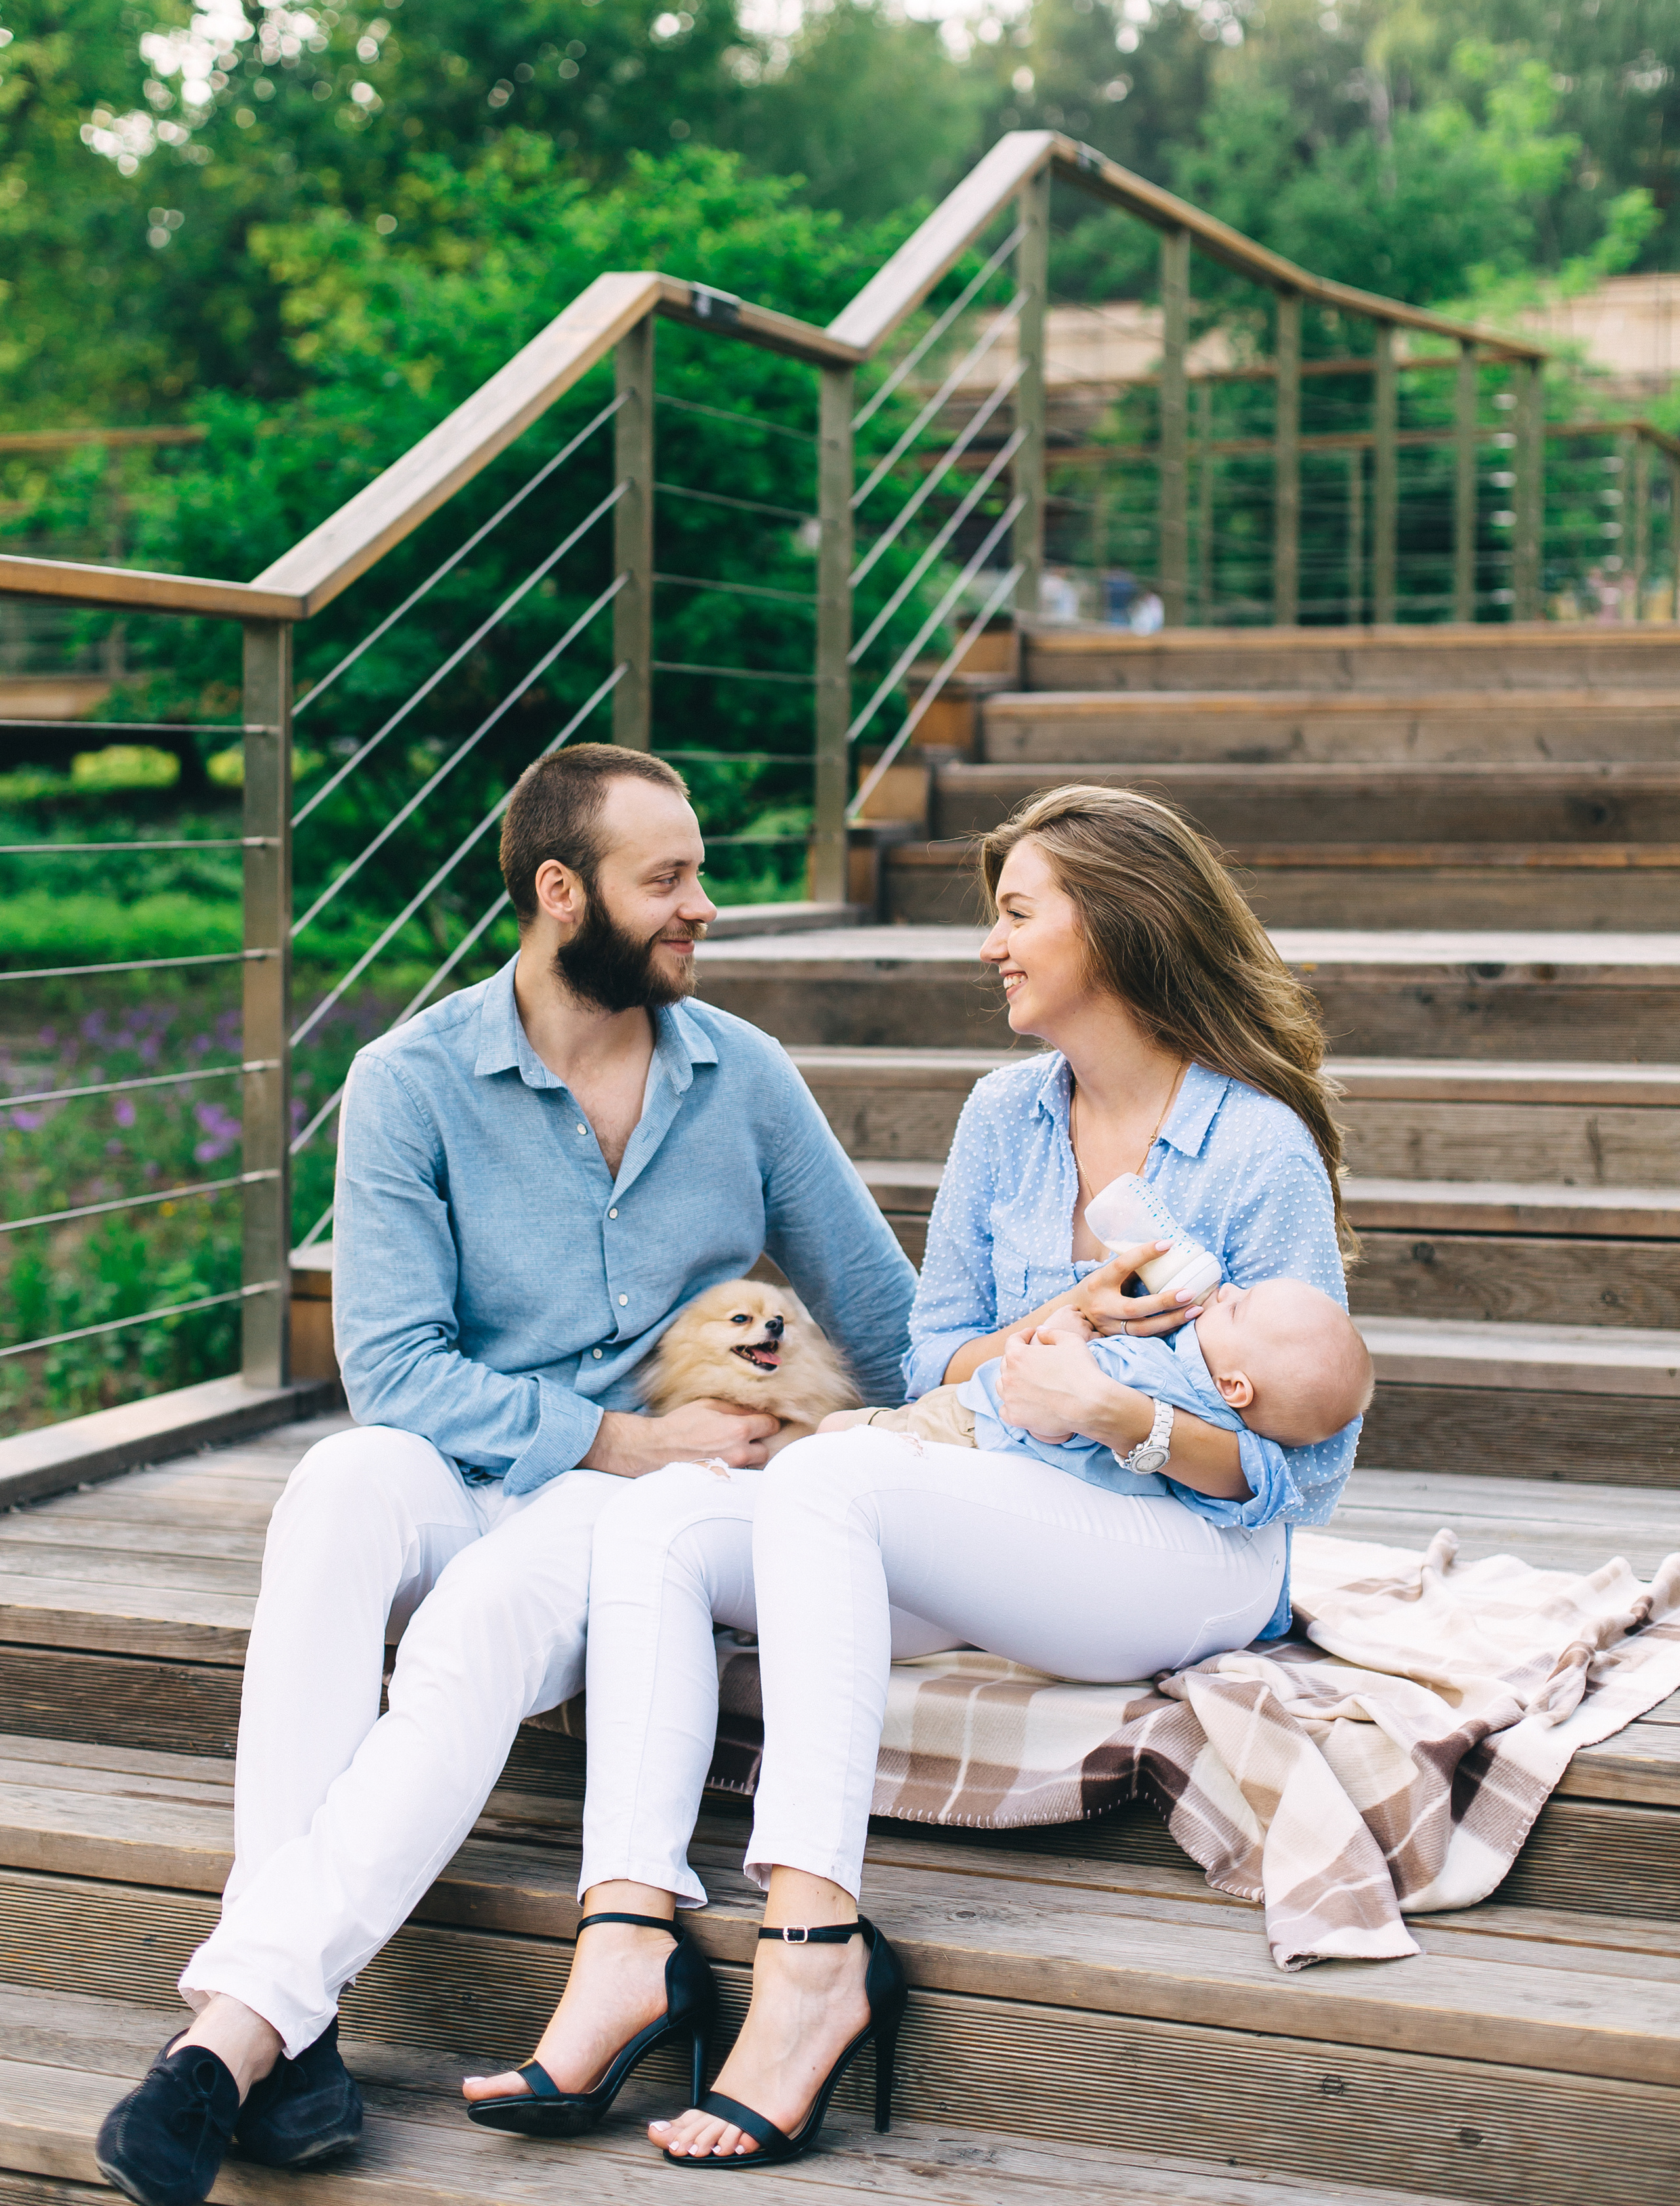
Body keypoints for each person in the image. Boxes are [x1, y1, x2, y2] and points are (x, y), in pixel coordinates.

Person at [469, 780, 1363, 2167]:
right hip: (1006, 1516)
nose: (990, 946)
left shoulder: (1253, 1148)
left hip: (1184, 1557)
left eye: (1015, 916)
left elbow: (1298, 1478)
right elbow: (936, 1356)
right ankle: (627, 1933)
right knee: (662, 1525)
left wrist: (1119, 1415)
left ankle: (812, 1953)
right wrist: (1054, 1335)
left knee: (829, 1486)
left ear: (1116, 929)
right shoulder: (1004, 1117)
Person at [93, 742, 915, 2206]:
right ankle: (298, 2023)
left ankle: (236, 2040)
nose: (703, 907)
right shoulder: (408, 1081)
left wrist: (1028, 1418)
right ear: (559, 892)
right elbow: (394, 1373)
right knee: (338, 1488)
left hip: (631, 1510)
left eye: (701, 874)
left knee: (477, 1624)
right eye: (665, 879)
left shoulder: (746, 1081)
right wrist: (620, 1433)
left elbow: (887, 1317)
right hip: (490, 1456)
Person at [826, 1274, 1374, 1469]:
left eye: (1237, 1307)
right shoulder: (1208, 1407)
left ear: (1236, 1385)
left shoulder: (1157, 1373)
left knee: (831, 1440)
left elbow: (1054, 1417)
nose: (1227, 1288)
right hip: (970, 1415)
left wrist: (1071, 1329)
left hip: (972, 1429)